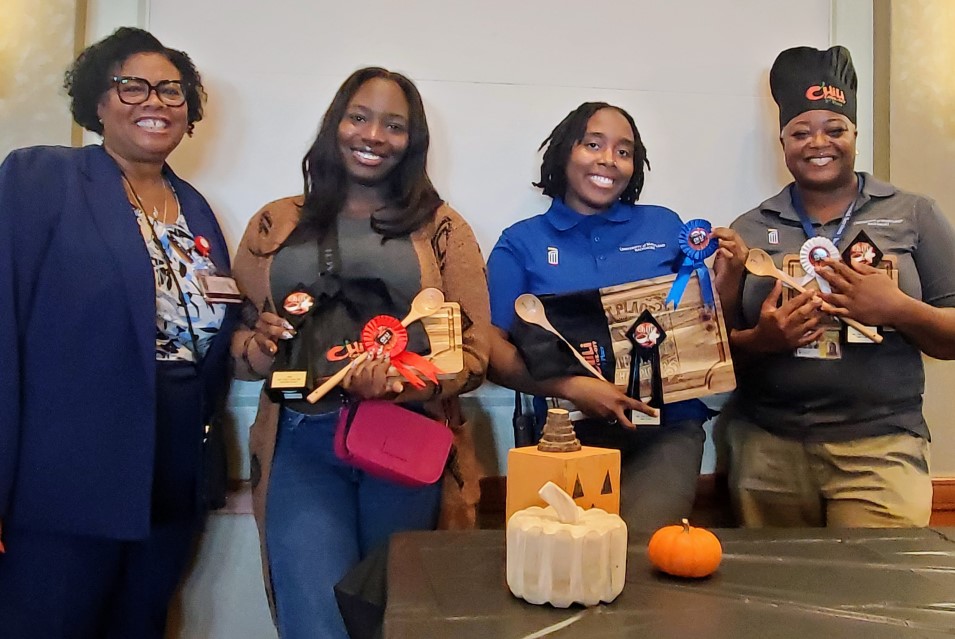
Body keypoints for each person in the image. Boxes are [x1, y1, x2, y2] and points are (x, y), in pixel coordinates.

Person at [231, 67, 490, 639]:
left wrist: (406, 384)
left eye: (394, 125)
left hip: (406, 446)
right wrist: (255, 345)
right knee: (314, 620)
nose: (374, 135)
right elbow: (237, 338)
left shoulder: (443, 228)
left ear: (412, 140)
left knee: (397, 619)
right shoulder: (276, 222)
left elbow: (473, 352)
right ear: (335, 124)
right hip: (299, 443)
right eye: (359, 117)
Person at [0, 27, 236, 638]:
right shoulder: (41, 179)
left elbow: (209, 330)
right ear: (97, 102)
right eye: (132, 85)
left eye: (172, 90)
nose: (155, 100)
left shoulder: (198, 209)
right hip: (67, 479)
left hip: (172, 474)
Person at [720, 45, 955, 528]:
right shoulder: (749, 229)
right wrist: (763, 343)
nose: (817, 143)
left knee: (874, 596)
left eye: (834, 129)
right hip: (767, 449)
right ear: (782, 143)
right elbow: (715, 354)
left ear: (854, 136)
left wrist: (897, 309)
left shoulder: (914, 214)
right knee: (774, 598)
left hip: (881, 449)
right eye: (800, 132)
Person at [486, 102, 742, 532]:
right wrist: (572, 387)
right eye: (593, 144)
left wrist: (729, 278)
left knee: (643, 555)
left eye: (624, 151)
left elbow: (707, 326)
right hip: (563, 435)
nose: (609, 160)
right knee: (569, 557)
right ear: (565, 151)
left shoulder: (664, 226)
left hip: (666, 429)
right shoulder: (521, 242)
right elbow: (491, 350)